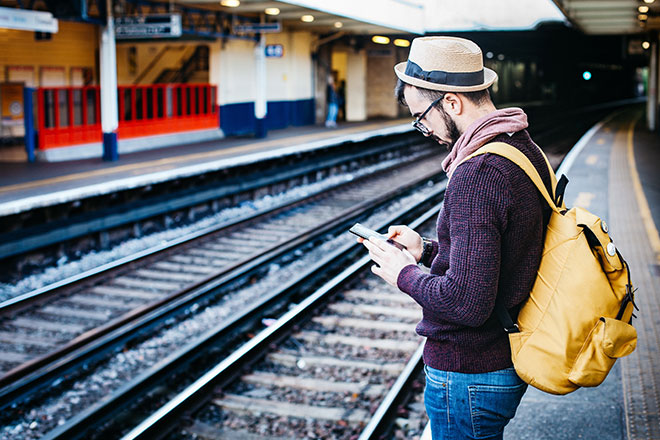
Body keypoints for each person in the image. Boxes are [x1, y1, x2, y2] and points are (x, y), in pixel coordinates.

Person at [359, 36, 553, 439]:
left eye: (421, 116)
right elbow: (503, 252)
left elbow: (466, 303)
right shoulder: (521, 147)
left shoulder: (477, 174)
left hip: (469, 370)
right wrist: (426, 249)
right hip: (498, 358)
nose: (423, 129)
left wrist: (403, 273)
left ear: (451, 102)